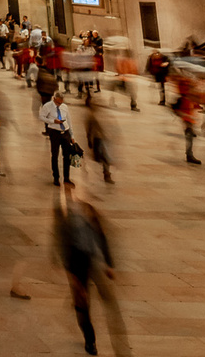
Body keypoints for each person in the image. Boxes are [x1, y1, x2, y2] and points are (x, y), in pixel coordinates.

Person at [55, 183, 127, 356]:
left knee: (108, 300)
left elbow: (102, 238)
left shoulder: (90, 213)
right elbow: (64, 250)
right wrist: (73, 279)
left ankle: (120, 346)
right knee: (82, 306)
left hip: (92, 261)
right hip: (77, 265)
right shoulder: (65, 221)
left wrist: (109, 264)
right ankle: (90, 340)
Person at [42, 92, 74, 185]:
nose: (59, 104)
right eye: (58, 103)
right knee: (55, 155)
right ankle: (56, 177)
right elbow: (42, 117)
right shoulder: (47, 106)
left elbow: (69, 121)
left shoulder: (65, 107)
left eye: (61, 103)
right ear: (54, 99)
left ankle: (66, 177)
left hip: (65, 132)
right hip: (54, 132)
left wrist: (72, 136)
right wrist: (52, 121)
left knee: (67, 156)